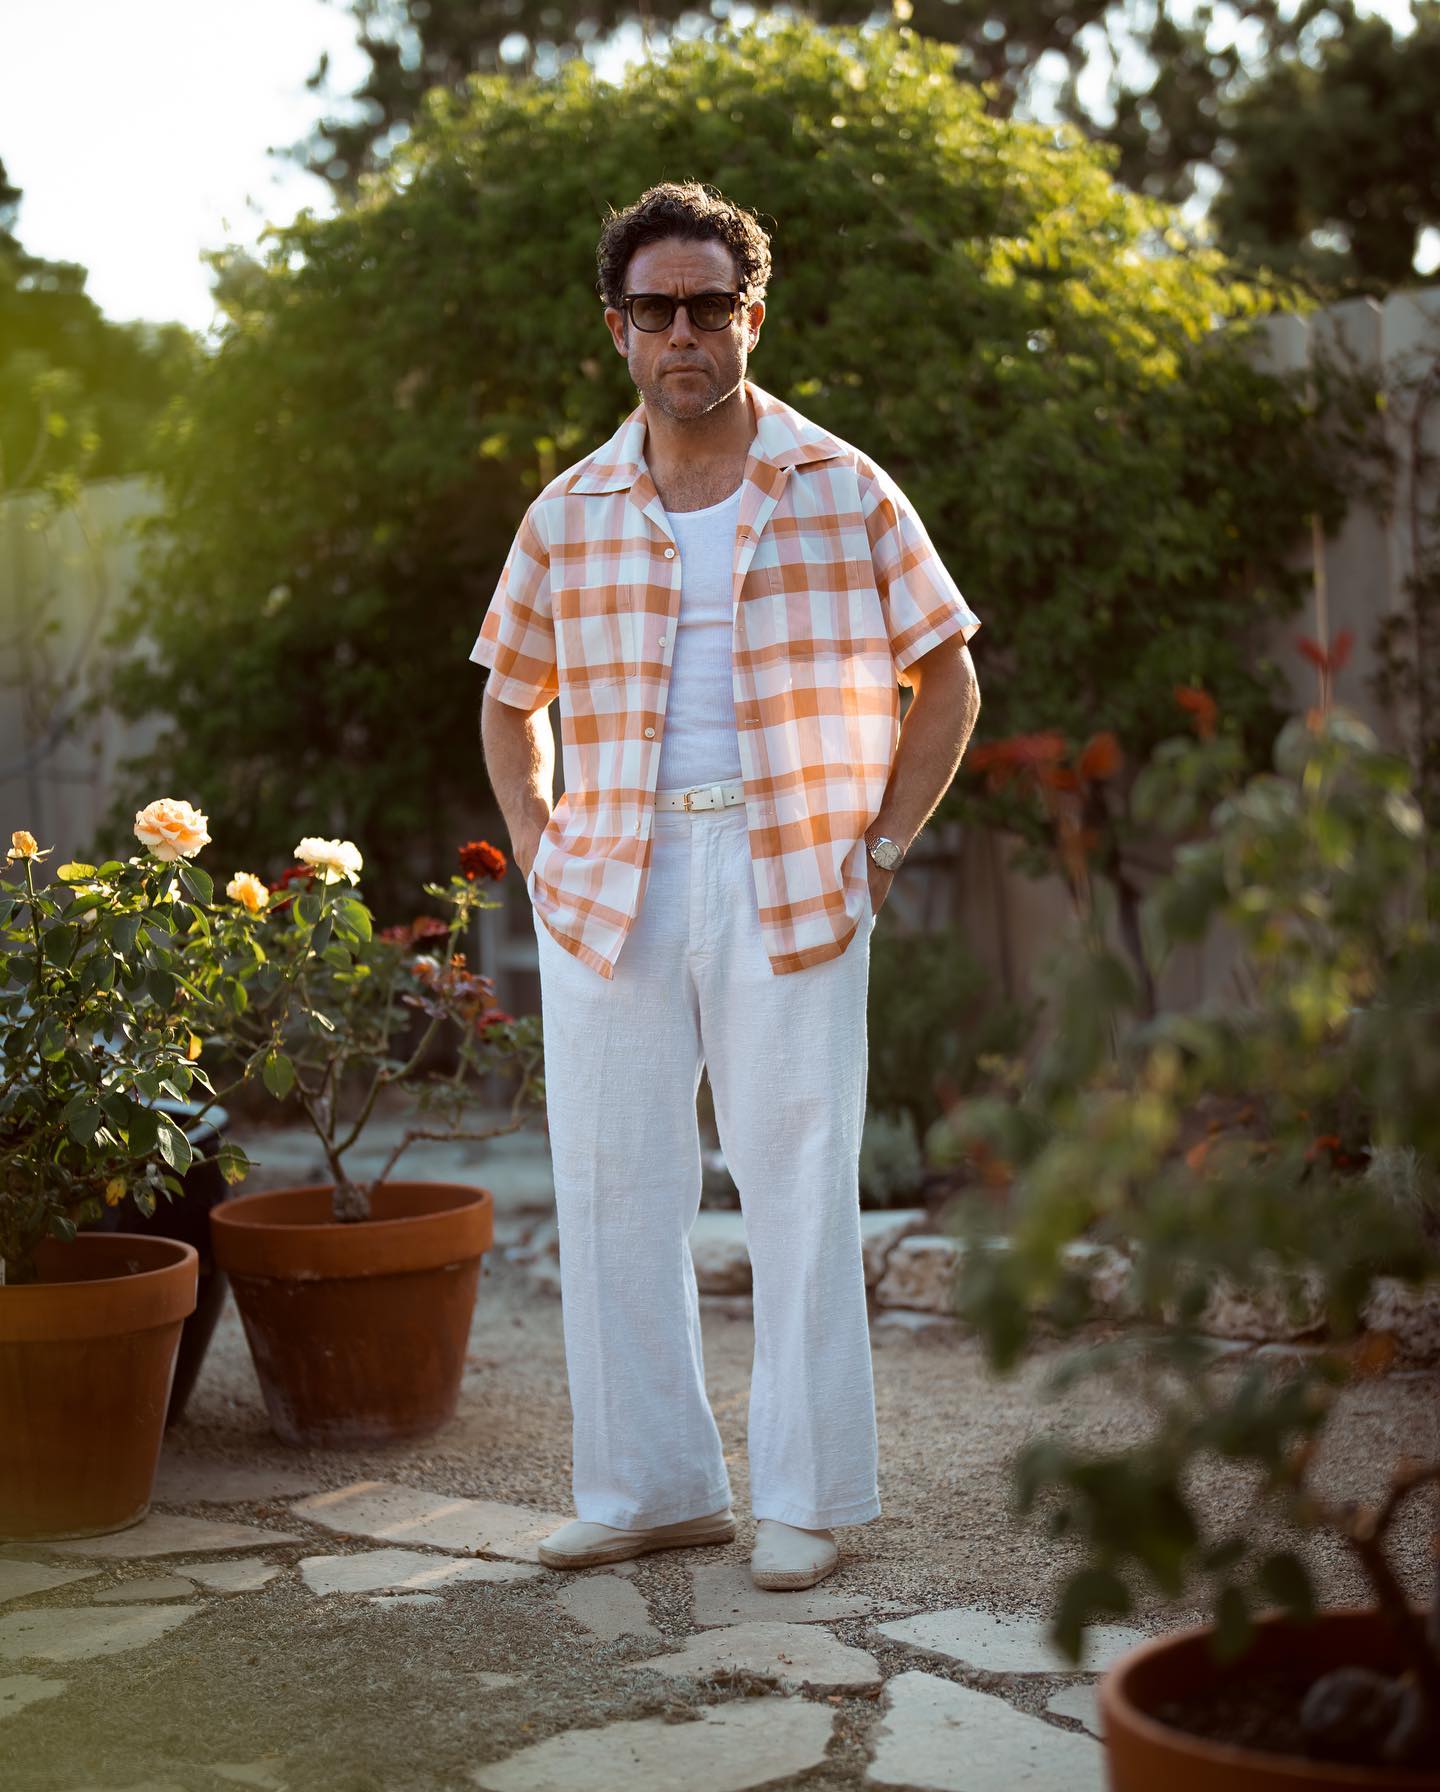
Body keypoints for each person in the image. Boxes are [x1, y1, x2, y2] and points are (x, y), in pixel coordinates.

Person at [472, 180, 981, 1591]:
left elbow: (947, 676)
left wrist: (882, 847)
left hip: (793, 869)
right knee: (612, 1186)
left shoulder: (845, 486)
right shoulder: (569, 510)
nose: (682, 332)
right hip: (610, 883)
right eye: (656, 310)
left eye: (709, 305)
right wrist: (539, 843)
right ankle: (650, 1490)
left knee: (799, 1183)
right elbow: (510, 698)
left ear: (753, 316)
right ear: (618, 329)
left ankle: (806, 1500)